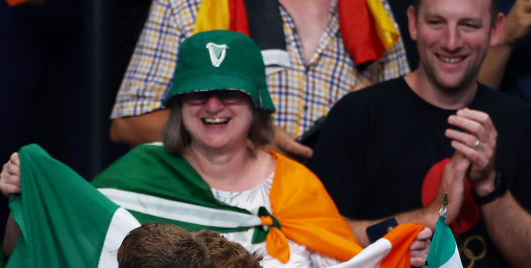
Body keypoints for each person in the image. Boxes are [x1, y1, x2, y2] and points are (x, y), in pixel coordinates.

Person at [0, 31, 423, 268]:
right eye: (198, 93)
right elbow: (55, 254)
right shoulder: (139, 172)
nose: (213, 106)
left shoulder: (295, 185)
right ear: (178, 105)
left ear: (256, 103)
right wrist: (26, 202)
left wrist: (398, 256)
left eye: (230, 94)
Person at [308, 0, 531, 268]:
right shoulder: (359, 117)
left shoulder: (520, 124)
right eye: (436, 22)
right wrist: (419, 220)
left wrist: (488, 185)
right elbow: (312, 241)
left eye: (468, 25)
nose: (451, 41)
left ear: (496, 30)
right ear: (411, 23)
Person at [108, 0, 410, 158]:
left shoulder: (373, 11)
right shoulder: (192, 4)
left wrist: (366, 111)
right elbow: (128, 123)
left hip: (329, 217)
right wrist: (248, 138)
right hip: (220, 214)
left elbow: (402, 127)